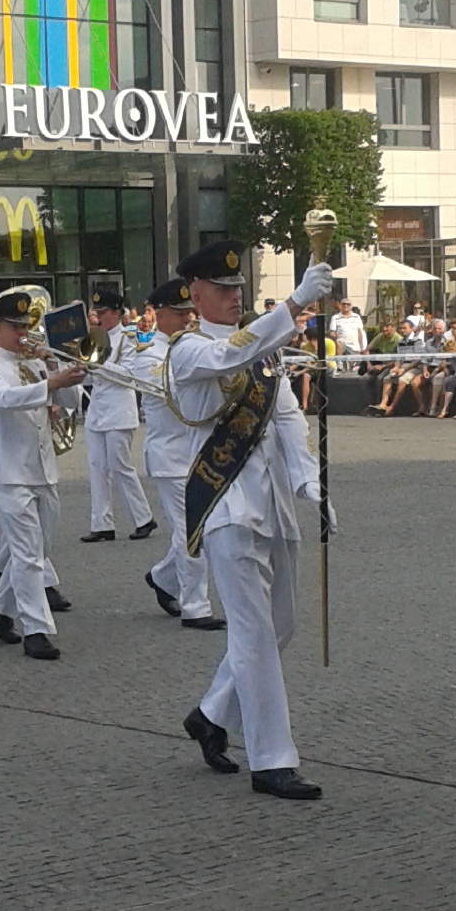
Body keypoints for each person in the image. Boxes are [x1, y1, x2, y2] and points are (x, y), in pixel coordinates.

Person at [167, 241, 334, 800]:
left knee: (280, 626)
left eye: (238, 289)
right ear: (195, 295)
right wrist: (294, 305)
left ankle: (212, 714)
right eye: (222, 289)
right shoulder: (188, 350)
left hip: (273, 503)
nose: (234, 297)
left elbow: (286, 417)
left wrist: (310, 483)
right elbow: (227, 358)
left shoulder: (263, 347)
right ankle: (272, 760)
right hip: (225, 504)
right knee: (254, 634)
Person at [0, 289, 83, 660]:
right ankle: (37, 630)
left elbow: (71, 402)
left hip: (43, 469)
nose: (22, 334)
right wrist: (50, 384)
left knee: (40, 550)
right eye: (15, 327)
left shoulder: (35, 365)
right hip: (7, 473)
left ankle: (0, 606)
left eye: (25, 326)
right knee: (29, 554)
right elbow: (2, 399)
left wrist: (56, 367)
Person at [132, 277, 224, 632]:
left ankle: (163, 578)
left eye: (190, 312)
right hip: (170, 456)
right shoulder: (149, 356)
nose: (189, 319)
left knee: (201, 527)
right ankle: (195, 606)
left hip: (198, 453)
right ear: (158, 315)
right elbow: (178, 394)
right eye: (180, 313)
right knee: (192, 532)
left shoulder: (195, 347)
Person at [80, 286, 155, 544]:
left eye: (103, 312)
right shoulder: (93, 337)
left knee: (120, 465)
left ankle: (144, 518)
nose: (99, 317)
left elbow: (130, 375)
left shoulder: (128, 339)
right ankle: (102, 524)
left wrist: (99, 364)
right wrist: (79, 367)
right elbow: (89, 378)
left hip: (119, 410)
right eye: (96, 312)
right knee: (96, 467)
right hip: (97, 411)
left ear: (116, 312)